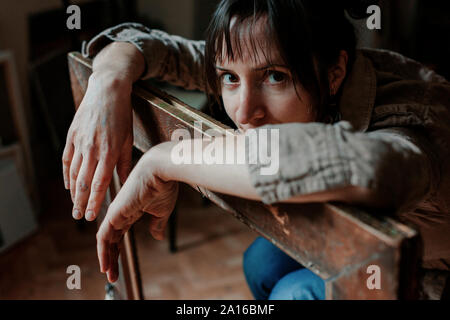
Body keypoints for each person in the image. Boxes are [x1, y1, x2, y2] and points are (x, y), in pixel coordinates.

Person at [63, 0, 450, 299]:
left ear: (334, 73)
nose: (245, 111)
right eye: (229, 78)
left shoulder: (410, 114)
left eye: (275, 78)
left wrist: (166, 160)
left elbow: (371, 167)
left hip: (430, 277)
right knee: (261, 263)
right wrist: (108, 81)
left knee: (291, 294)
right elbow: (154, 47)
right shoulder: (266, 56)